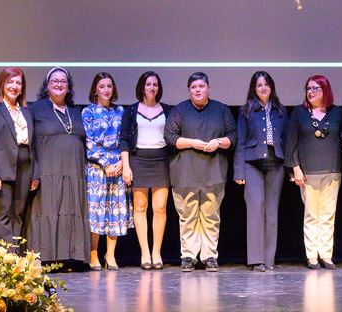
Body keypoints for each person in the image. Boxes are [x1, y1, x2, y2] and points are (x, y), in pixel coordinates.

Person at [164, 72, 237, 272]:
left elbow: (233, 136)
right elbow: (170, 137)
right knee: (188, 217)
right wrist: (192, 143)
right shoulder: (179, 110)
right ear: (189, 90)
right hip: (185, 172)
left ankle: (209, 256)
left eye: (201, 86)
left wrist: (219, 142)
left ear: (208, 88)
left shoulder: (221, 110)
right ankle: (188, 256)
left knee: (211, 216)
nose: (198, 90)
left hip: (213, 172)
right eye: (194, 87)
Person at [26, 67, 90, 265]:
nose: (59, 85)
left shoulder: (77, 112)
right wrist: (33, 171)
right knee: (47, 212)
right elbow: (27, 142)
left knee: (72, 210)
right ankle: (45, 259)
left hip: (74, 172)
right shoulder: (35, 108)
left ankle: (72, 258)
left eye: (63, 81)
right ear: (47, 86)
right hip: (47, 172)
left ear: (69, 87)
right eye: (54, 81)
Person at [284, 75, 342, 270]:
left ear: (325, 90)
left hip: (332, 170)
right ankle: (311, 256)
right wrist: (295, 168)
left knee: (327, 215)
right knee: (311, 215)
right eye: (308, 88)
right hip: (307, 172)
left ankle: (326, 255)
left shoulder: (336, 113)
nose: (311, 92)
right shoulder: (299, 113)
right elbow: (291, 142)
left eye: (315, 88)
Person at [234, 71, 288, 272]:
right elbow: (240, 141)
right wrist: (239, 171)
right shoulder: (246, 111)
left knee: (271, 212)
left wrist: (291, 168)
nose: (263, 88)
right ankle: (256, 259)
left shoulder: (280, 110)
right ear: (254, 89)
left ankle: (268, 259)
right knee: (255, 210)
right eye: (259, 85)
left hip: (276, 164)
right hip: (252, 164)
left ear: (271, 87)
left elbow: (287, 140)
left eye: (266, 84)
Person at [0, 67, 38, 251]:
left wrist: (34, 174)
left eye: (18, 83)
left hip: (25, 165)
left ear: (22, 87)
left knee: (18, 214)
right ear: (2, 84)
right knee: (3, 214)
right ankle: (4, 259)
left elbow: (33, 144)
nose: (14, 86)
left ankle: (16, 260)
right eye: (10, 82)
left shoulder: (26, 111)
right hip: (2, 167)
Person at [120, 71, 172, 270]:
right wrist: (126, 166)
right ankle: (144, 252)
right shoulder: (131, 111)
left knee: (159, 208)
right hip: (138, 160)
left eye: (155, 84)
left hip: (161, 160)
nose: (152, 88)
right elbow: (124, 139)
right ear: (142, 87)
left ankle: (156, 252)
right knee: (140, 208)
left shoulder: (167, 110)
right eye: (148, 84)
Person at [82, 72, 129, 270]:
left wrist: (121, 163)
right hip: (97, 169)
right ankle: (94, 255)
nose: (106, 90)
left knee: (115, 211)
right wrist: (105, 163)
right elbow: (89, 142)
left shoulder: (120, 111)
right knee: (96, 212)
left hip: (117, 167)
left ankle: (110, 255)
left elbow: (126, 138)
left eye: (109, 86)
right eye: (102, 86)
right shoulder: (88, 112)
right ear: (95, 90)